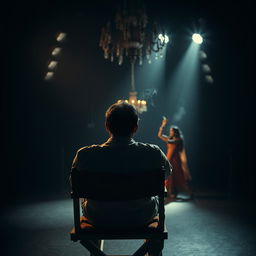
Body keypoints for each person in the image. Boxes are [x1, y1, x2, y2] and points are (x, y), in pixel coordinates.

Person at [71, 102, 172, 256]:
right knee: (157, 217)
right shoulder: (153, 153)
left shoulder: (85, 155)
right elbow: (167, 174)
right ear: (135, 127)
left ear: (106, 125)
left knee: (88, 202)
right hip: (141, 217)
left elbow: (74, 185)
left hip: (99, 218)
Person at [158, 117, 192, 199]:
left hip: (176, 160)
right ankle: (171, 193)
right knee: (169, 177)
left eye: (171, 131)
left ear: (175, 132)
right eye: (170, 131)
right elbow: (159, 135)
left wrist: (167, 139)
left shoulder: (179, 139)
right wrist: (162, 125)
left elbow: (171, 142)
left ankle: (190, 193)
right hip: (169, 159)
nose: (170, 132)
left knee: (179, 177)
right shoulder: (170, 138)